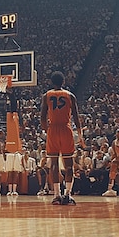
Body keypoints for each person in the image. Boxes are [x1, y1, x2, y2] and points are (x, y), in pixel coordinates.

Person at [40, 70, 85, 205]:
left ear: (51, 82)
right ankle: (68, 195)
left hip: (53, 129)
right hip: (66, 129)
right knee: (69, 165)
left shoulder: (46, 95)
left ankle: (56, 195)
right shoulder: (70, 95)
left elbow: (42, 117)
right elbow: (76, 117)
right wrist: (80, 134)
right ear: (63, 82)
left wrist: (46, 130)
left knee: (54, 164)